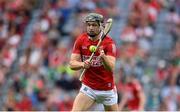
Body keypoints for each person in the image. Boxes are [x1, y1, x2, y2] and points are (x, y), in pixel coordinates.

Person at [69, 13, 118, 111]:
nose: (91, 28)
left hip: (107, 89)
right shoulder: (81, 40)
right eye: (89, 25)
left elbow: (111, 67)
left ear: (101, 26)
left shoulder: (109, 43)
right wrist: (83, 64)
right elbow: (72, 64)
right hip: (89, 88)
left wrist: (103, 57)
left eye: (94, 25)